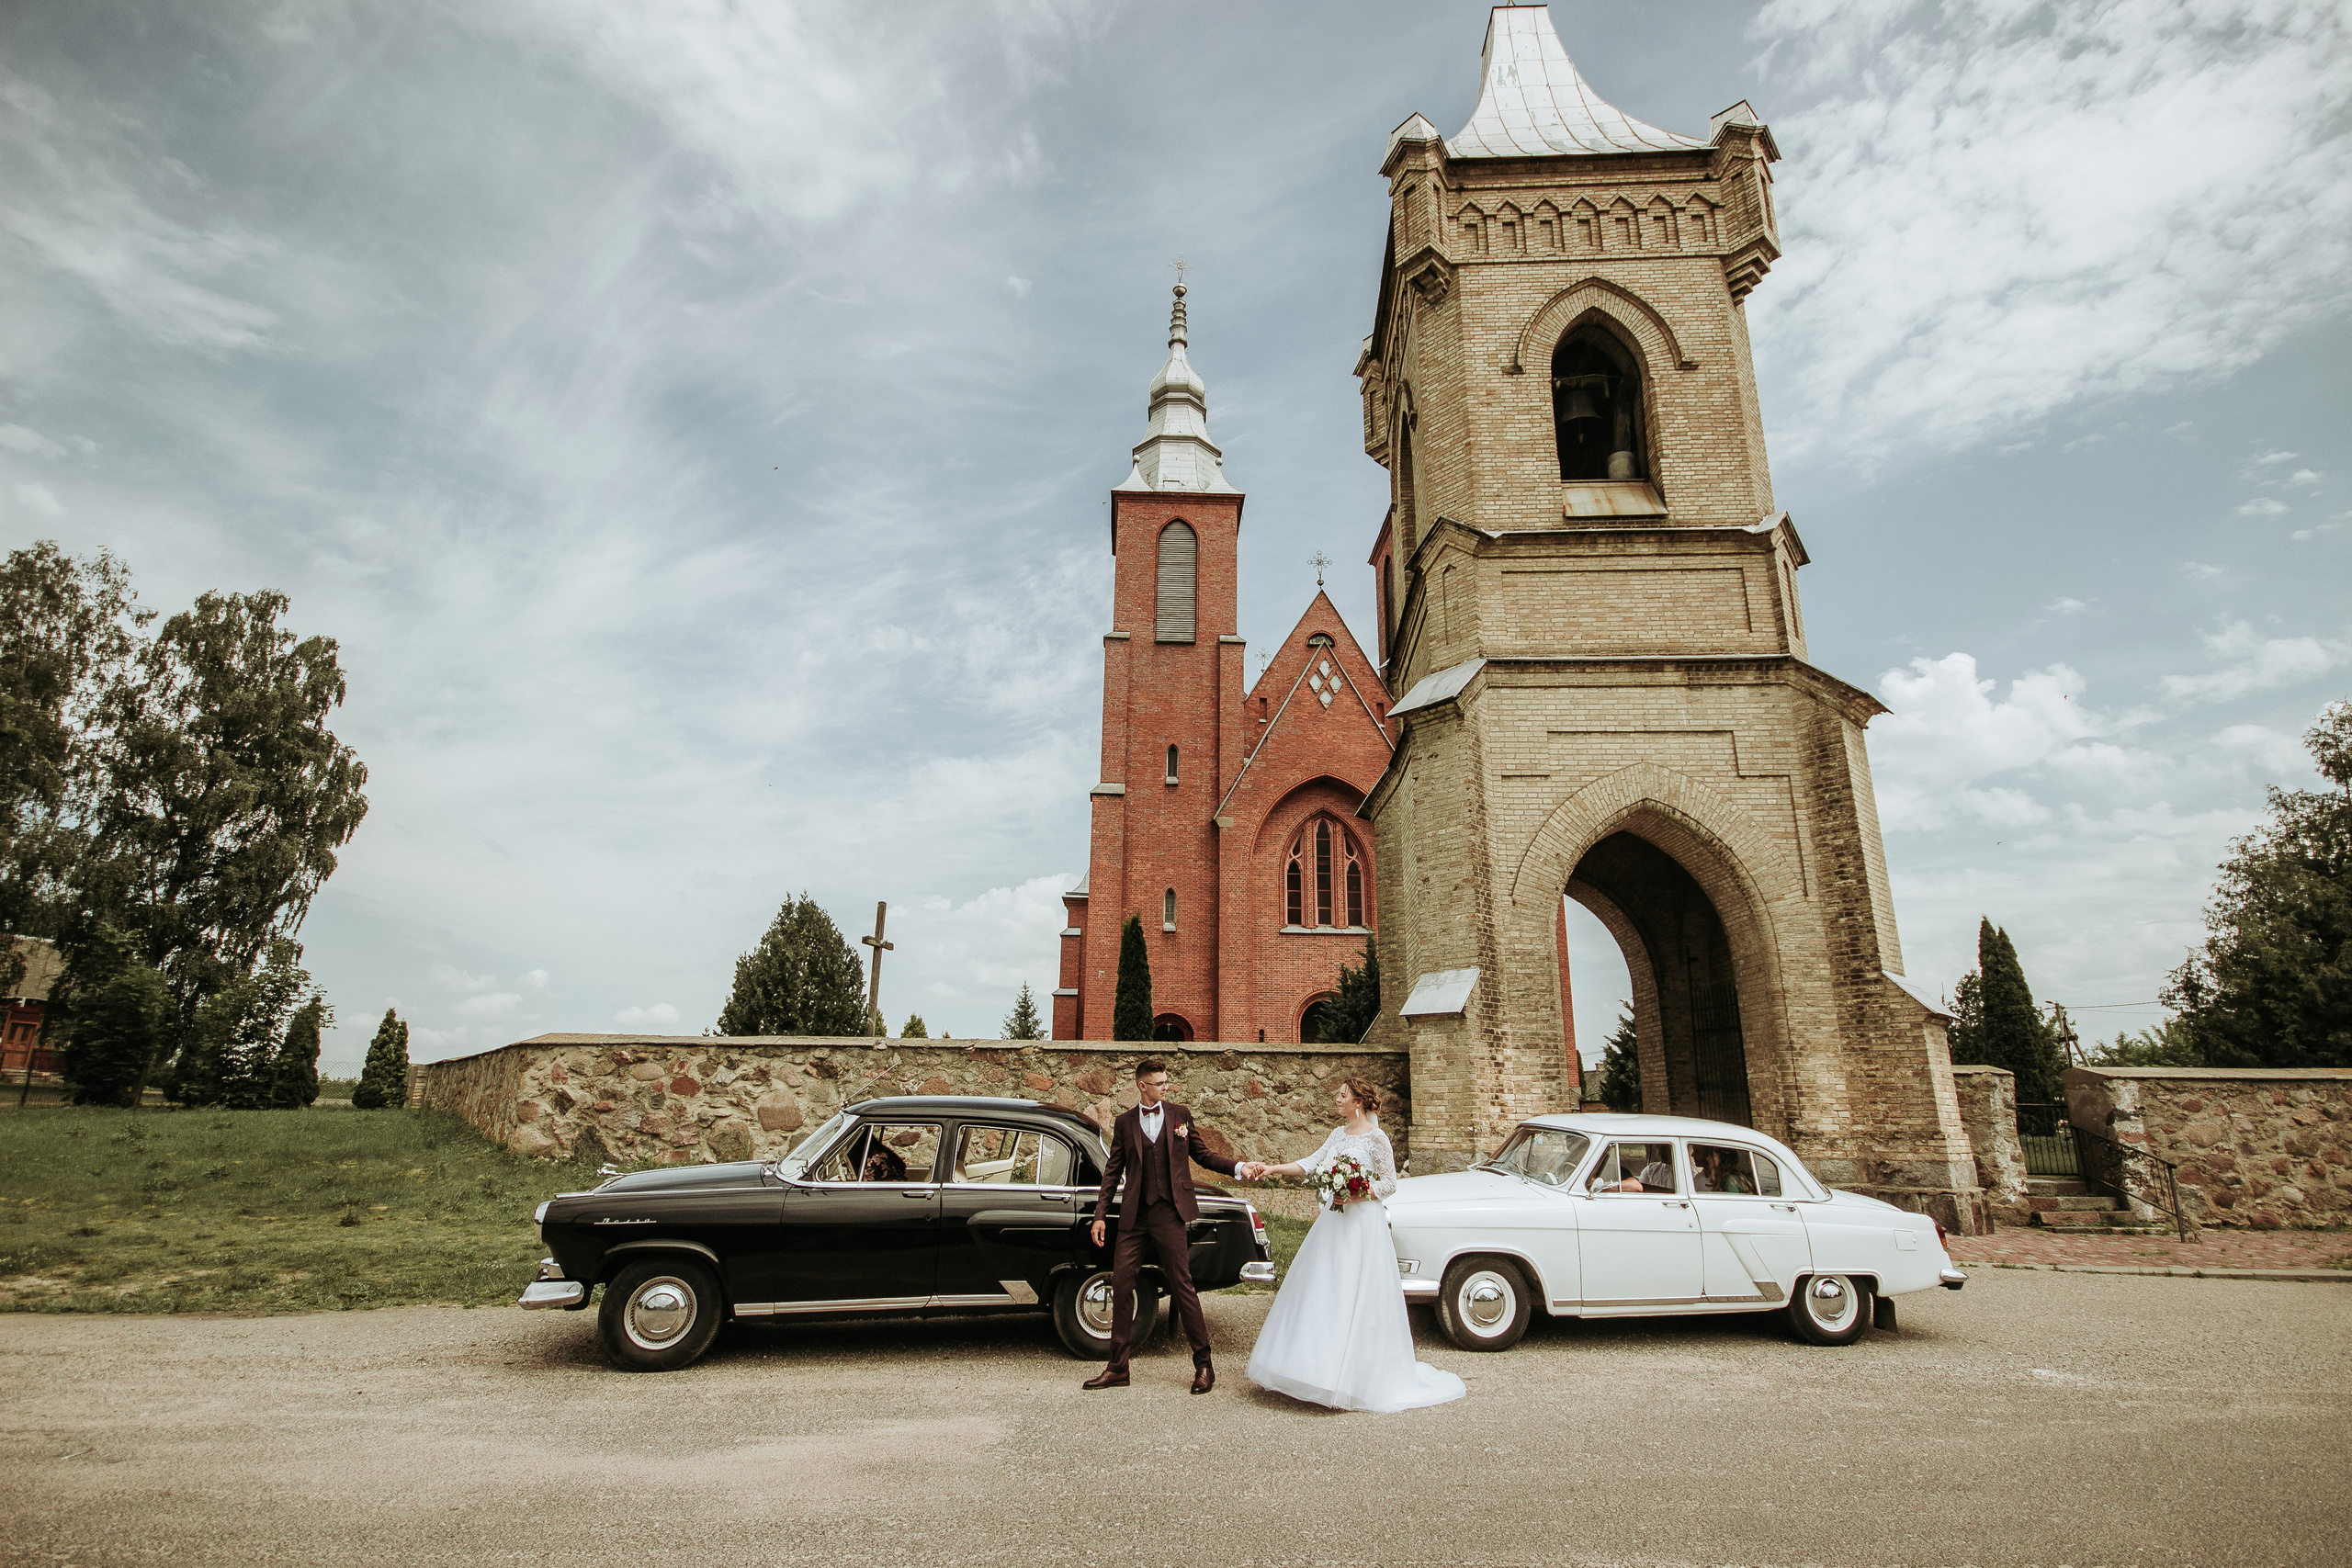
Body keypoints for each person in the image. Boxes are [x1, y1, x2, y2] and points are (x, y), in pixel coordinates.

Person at [1236, 1078, 1466, 1414]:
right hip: (1334, 1223)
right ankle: (1312, 1369)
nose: (1337, 1100)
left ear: (1358, 1101)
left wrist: (1360, 1192)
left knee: (1356, 1292)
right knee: (1324, 1290)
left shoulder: (1377, 1137)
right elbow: (1311, 1164)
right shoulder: (1337, 1135)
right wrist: (1273, 1168)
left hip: (1362, 1226)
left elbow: (1390, 1183)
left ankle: (1355, 1377)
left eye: (1342, 1096)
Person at [1082, 1059, 1244, 1395]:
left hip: (1170, 1213)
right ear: (1142, 1086)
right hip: (1134, 1217)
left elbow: (1203, 1155)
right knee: (1122, 1285)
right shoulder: (1125, 1123)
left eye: (1167, 1082)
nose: (1165, 1087)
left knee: (1182, 1287)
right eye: (1159, 1083)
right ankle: (1117, 1368)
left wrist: (1239, 1167)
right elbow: (1112, 1172)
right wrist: (1100, 1215)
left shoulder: (1180, 1115)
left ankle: (1204, 1366)